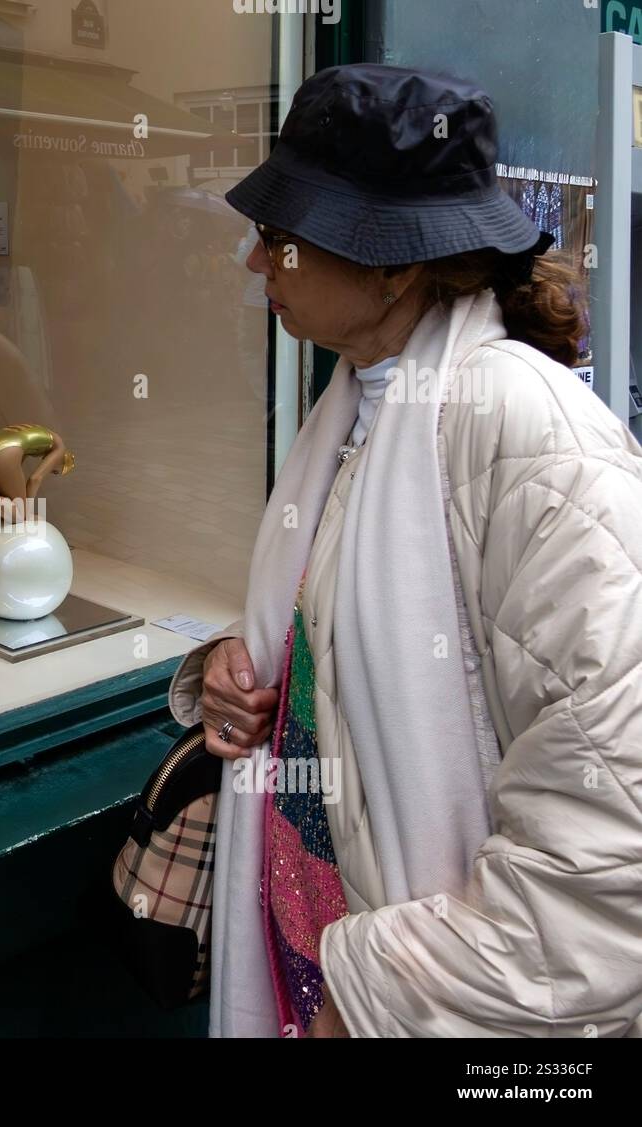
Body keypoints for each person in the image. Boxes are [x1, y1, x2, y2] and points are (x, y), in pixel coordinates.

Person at [168, 64, 642, 1037]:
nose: (257, 265)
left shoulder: (522, 426)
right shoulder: (360, 400)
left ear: (391, 264)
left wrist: (382, 999)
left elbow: (612, 848)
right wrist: (234, 667)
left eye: (279, 237)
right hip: (322, 963)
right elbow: (369, 626)